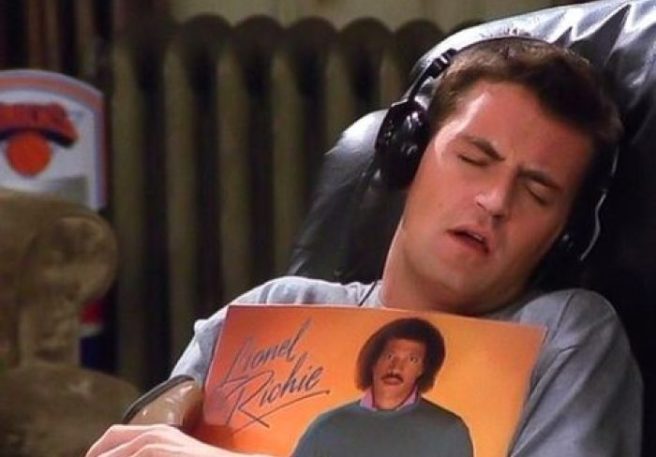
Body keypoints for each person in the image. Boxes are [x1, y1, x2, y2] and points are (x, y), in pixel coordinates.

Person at [86, 36, 642, 457]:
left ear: (567, 233)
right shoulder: (276, 309)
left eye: (537, 191)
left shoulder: (565, 335)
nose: (496, 201)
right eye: (474, 159)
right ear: (408, 156)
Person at [292, 318, 473, 457]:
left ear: (423, 369)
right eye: (389, 356)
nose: (396, 367)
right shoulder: (327, 426)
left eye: (412, 360)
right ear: (373, 361)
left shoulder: (449, 431)